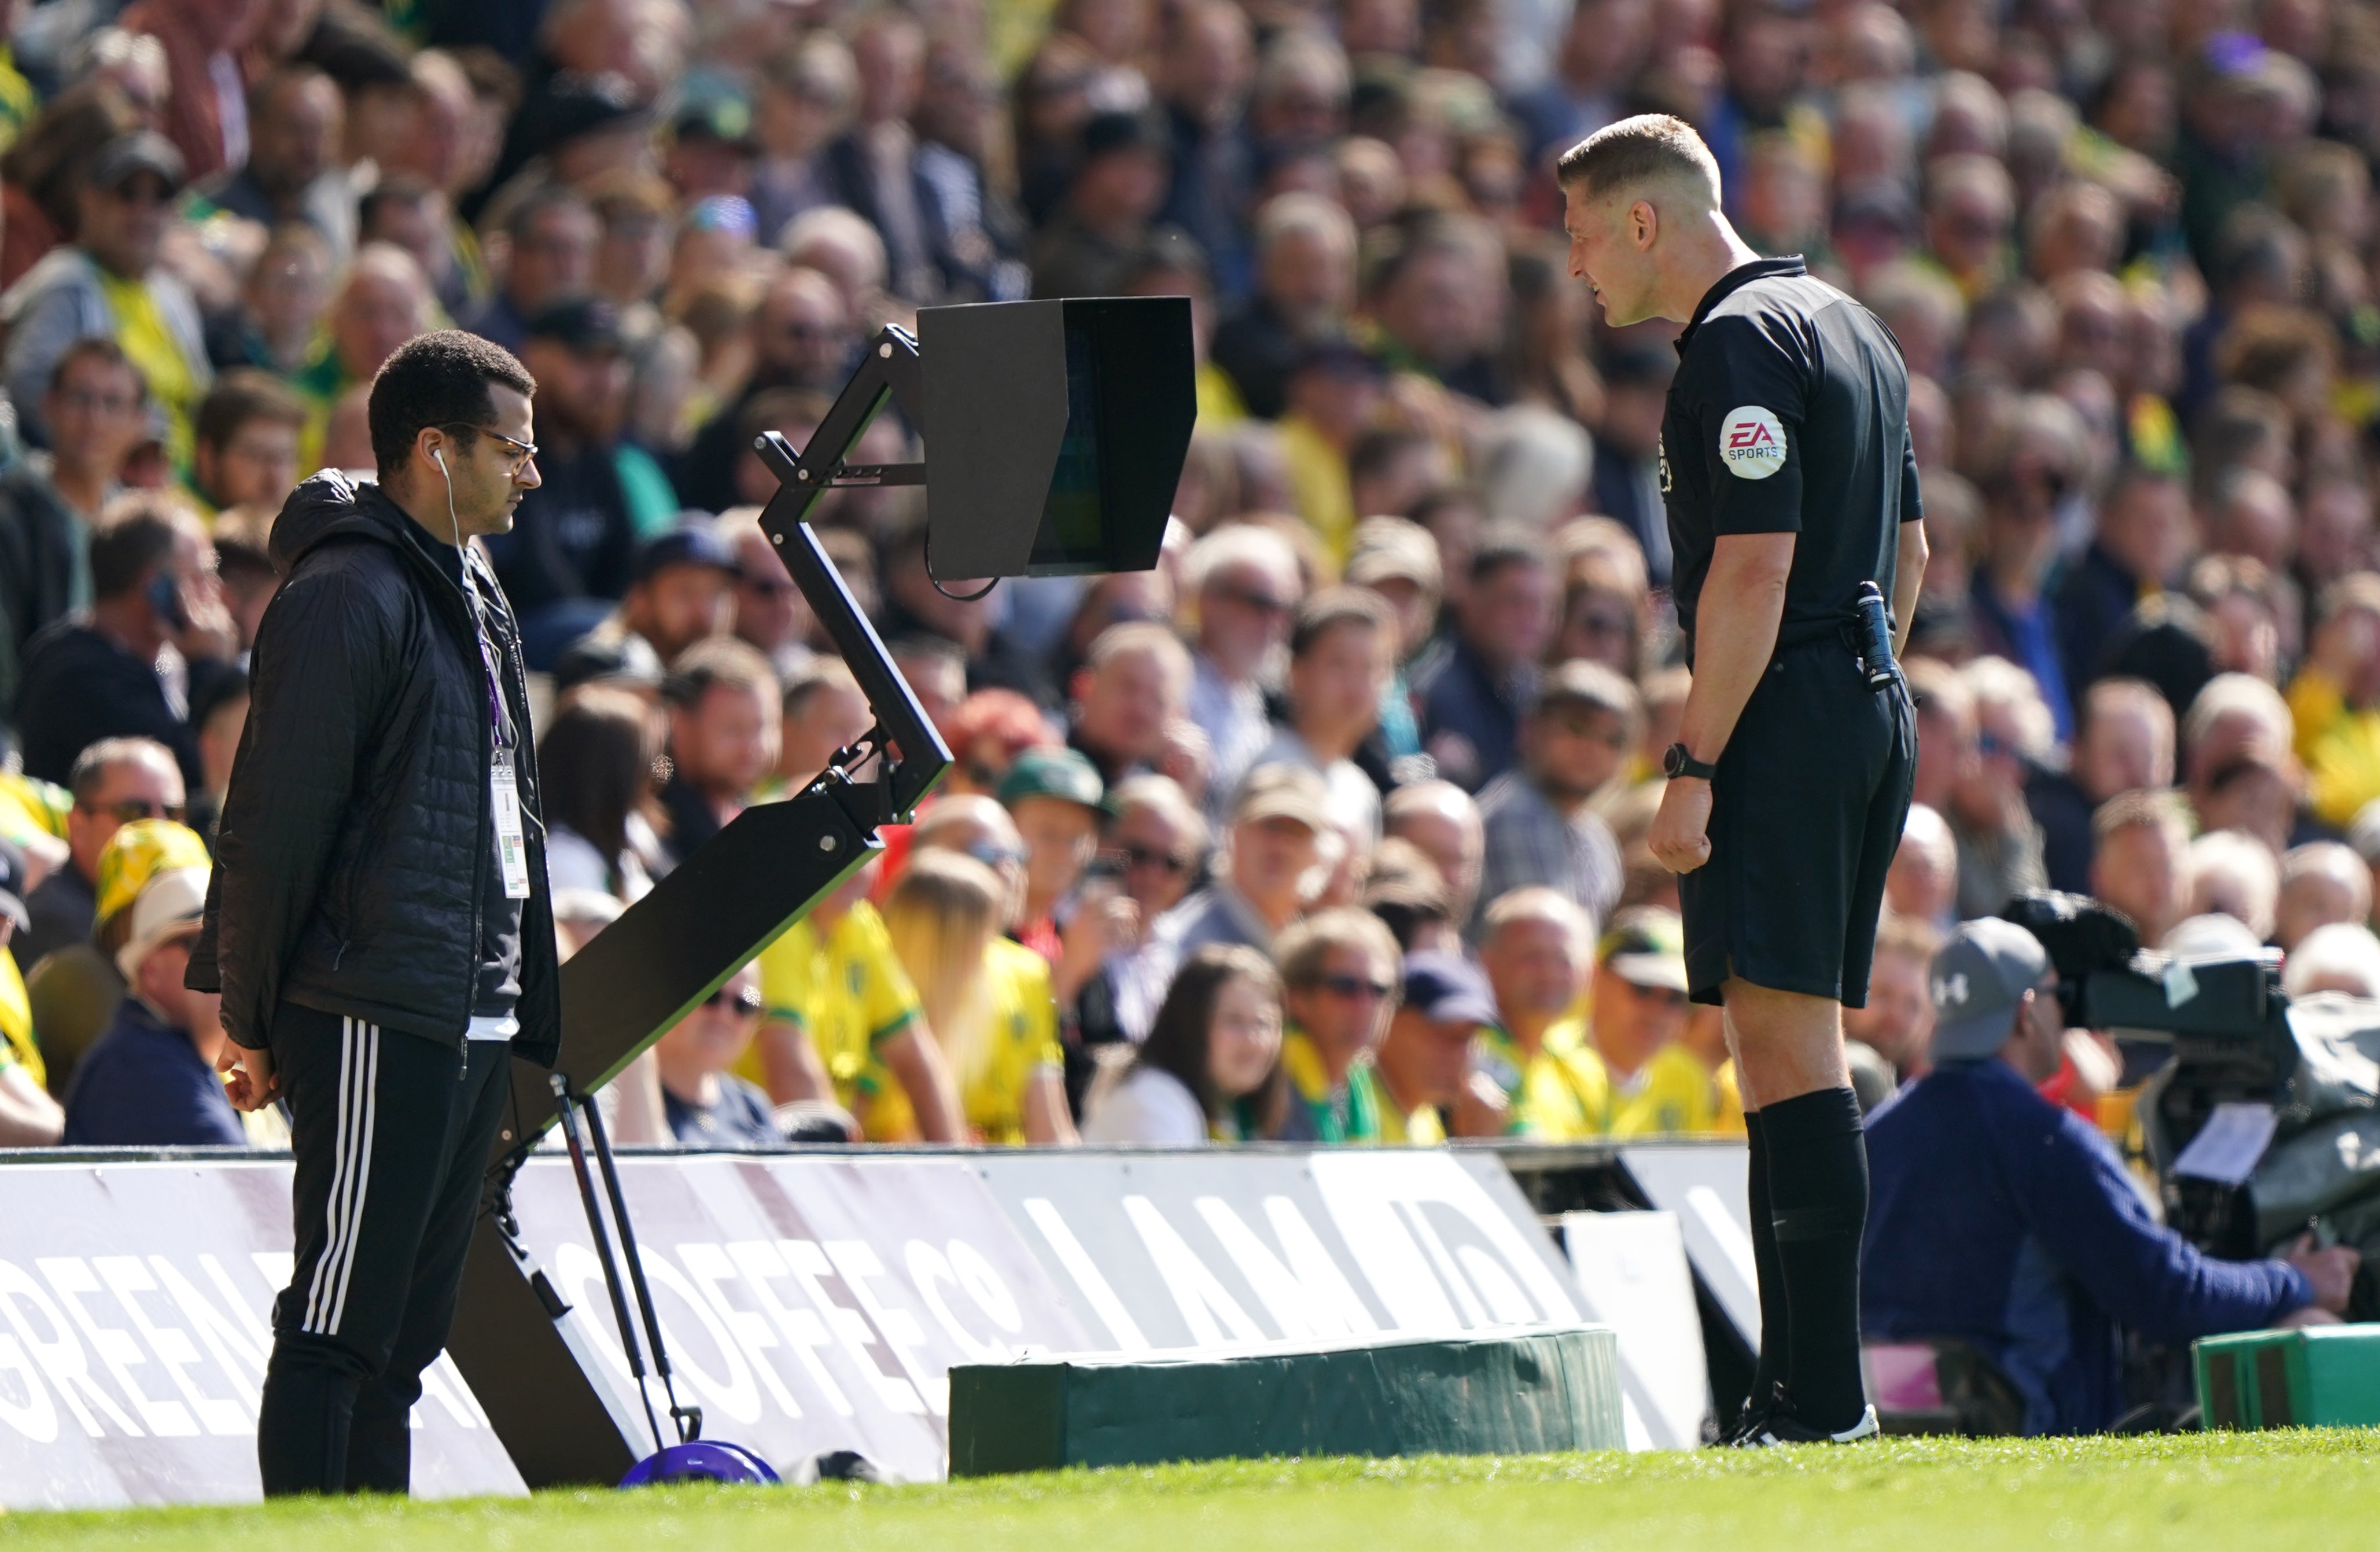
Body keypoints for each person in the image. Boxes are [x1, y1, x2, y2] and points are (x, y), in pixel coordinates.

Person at [1563, 114, 1924, 1444]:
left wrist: (1694, 759)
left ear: (1644, 222)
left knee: (1781, 1055)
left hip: (1778, 713)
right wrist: (1859, 676)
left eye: (1585, 236)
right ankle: (1804, 1394)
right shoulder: (1849, 323)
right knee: (1798, 1046)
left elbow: (1753, 568)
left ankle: (1818, 1403)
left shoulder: (1728, 344)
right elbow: (1910, 551)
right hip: (1866, 693)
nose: (1578, 267)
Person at [195, 330, 562, 1498]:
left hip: (468, 1007)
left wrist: (527, 1000)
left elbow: (511, 814)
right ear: (432, 450)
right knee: (339, 1324)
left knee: (404, 1339)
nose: (533, 472)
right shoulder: (347, 591)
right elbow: (276, 818)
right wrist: (250, 1016)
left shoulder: (472, 582)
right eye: (512, 448)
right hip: (370, 1003)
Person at [1863, 918, 2357, 1435]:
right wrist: (2298, 1280)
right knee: (2308, 1327)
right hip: (2029, 1424)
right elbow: (2168, 1298)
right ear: (2028, 1014)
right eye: (2061, 997)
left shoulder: (1879, 1135)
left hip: (1903, 1419)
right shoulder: (2041, 1137)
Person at [1, 131, 211, 461]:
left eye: (160, 198)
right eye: (127, 194)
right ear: (90, 200)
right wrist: (113, 459)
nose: (143, 211)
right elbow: (30, 391)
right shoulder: (65, 284)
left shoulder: (172, 294)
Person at [15, 495, 234, 793]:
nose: (216, 591)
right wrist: (208, 667)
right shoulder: (78, 675)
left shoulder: (161, 660)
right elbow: (197, 774)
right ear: (155, 586)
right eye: (200, 576)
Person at [744, 856, 963, 1142]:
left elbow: (915, 1056)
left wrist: (955, 1162)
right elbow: (790, 1071)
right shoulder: (779, 925)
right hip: (763, 1148)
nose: (856, 863)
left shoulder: (859, 923)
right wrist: (839, 1168)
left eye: (870, 849)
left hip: (825, 1144)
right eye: (842, 846)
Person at [880, 849, 1075, 1145]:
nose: (992, 953)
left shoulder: (1026, 973)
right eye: (985, 936)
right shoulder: (881, 998)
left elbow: (1053, 1132)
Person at [0, 339, 152, 704]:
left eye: (113, 403)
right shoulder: (10, 513)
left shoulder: (143, 527)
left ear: (139, 423)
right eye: (79, 398)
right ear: (48, 405)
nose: (93, 419)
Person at [60, 851, 242, 1146]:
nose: (227, 965)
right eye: (204, 946)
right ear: (150, 970)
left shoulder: (171, 1052)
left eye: (235, 947)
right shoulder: (141, 1067)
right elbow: (246, 1186)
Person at [1471, 660, 1634, 944]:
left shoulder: (1596, 836)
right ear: (1530, 730)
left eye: (1613, 739)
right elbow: (1546, 948)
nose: (1593, 748)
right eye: (1577, 727)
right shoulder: (1514, 814)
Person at [1081, 943, 1285, 1144]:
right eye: (1234, 1020)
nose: (1253, 1040)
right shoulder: (1153, 1103)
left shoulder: (1231, 1110)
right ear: (1189, 1024)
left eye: (1264, 1023)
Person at [14, 737, 182, 974]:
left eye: (173, 813)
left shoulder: (185, 906)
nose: (160, 829)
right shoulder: (53, 923)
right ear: (79, 826)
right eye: (135, 813)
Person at [1411, 526, 1557, 792]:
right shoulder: (1431, 691)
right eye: (1515, 601)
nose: (1530, 619)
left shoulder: (1539, 695)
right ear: (1470, 597)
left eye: (1541, 605)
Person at [1252, 587, 1395, 840]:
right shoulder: (1266, 770)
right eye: (1339, 664)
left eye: (1371, 667)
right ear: (1296, 673)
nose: (1356, 684)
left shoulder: (1361, 791)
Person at [1475, 888, 1611, 1139]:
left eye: (1564, 959)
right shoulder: (1466, 1058)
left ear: (1590, 971)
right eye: (1532, 957)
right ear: (1487, 962)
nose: (1549, 973)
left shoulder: (1583, 1073)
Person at [1593, 906, 1732, 1136]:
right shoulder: (1547, 1061)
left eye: (1675, 997)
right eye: (1643, 989)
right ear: (1597, 977)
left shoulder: (1688, 1079)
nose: (1657, 1010)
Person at [1273, 907, 1403, 1143]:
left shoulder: (1358, 1083)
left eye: (1379, 990)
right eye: (1346, 986)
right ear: (1297, 997)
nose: (1366, 1005)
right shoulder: (1273, 1083)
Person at [656, 636, 780, 867]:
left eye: (762, 726)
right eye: (732, 729)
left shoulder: (746, 813)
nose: (752, 746)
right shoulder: (655, 816)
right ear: (679, 724)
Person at [538, 684, 668, 903]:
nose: (657, 776)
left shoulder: (631, 837)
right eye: (646, 765)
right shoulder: (565, 859)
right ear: (615, 779)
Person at [1377, 951, 1501, 1143]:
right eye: (1440, 1032)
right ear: (1388, 1020)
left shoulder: (1425, 1117)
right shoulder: (1351, 1102)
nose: (1457, 1053)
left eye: (1467, 1037)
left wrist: (1473, 1141)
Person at [652, 966, 780, 1146]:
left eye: (744, 1005)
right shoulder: (618, 1100)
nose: (724, 1016)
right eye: (710, 995)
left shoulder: (753, 1109)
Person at [190, 370, 307, 516]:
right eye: (256, 455)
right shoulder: (177, 530)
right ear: (208, 459)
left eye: (285, 457)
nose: (275, 476)